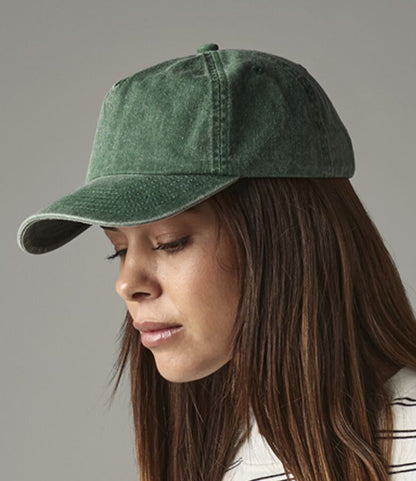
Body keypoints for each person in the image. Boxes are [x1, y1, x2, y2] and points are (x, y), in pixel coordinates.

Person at [17, 43, 416, 481]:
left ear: (284, 239)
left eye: (170, 243)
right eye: (119, 249)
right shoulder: (225, 453)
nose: (127, 283)